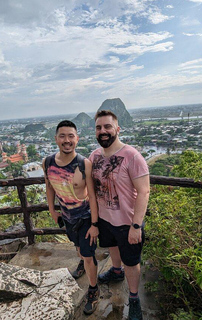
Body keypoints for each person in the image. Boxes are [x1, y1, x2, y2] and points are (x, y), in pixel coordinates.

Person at [89, 110, 150, 320]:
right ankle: (116, 271)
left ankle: (133, 298)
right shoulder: (94, 156)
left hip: (127, 222)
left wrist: (136, 226)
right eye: (99, 127)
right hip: (105, 219)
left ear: (117, 129)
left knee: (132, 261)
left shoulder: (132, 156)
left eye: (107, 127)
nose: (103, 131)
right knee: (112, 246)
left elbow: (144, 191)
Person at [43, 120, 100, 315]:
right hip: (67, 218)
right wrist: (52, 210)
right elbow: (49, 186)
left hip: (85, 217)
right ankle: (82, 261)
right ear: (56, 139)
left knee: (88, 255)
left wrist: (94, 224)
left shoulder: (84, 164)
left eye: (70, 136)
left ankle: (93, 289)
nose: (67, 140)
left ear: (77, 139)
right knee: (78, 249)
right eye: (62, 136)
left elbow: (92, 195)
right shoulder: (48, 162)